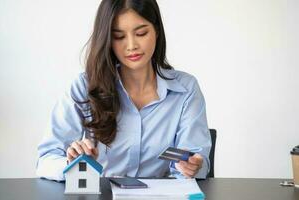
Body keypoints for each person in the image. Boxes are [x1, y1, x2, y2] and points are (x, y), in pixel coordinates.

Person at [36, 0, 211, 181]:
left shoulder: (185, 89)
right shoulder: (84, 87)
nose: (131, 45)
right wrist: (70, 163)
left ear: (157, 31)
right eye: (119, 37)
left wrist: (192, 167)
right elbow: (46, 159)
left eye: (141, 33)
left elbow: (198, 161)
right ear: (107, 40)